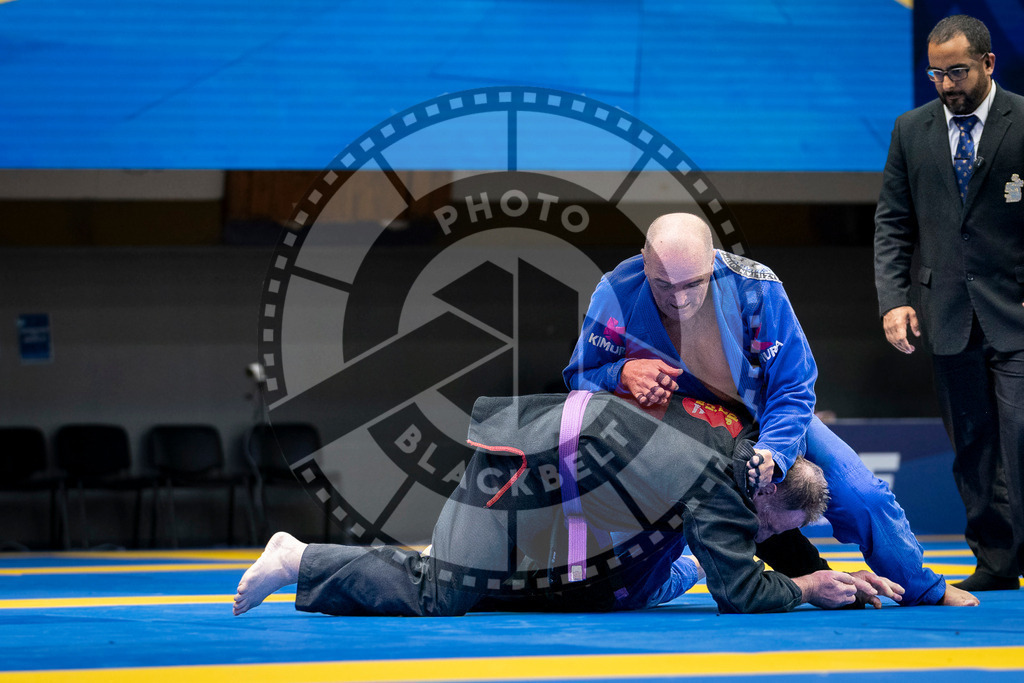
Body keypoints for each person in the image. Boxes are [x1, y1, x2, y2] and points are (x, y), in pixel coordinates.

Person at [563, 212, 977, 606]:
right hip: (684, 431)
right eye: (663, 285)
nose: (679, 298)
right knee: (644, 577)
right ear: (643, 260)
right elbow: (580, 378)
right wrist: (622, 372)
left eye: (692, 283)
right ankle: (709, 573)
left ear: (714, 261)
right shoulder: (618, 290)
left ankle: (921, 588)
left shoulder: (755, 288)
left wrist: (775, 451)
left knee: (864, 496)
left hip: (767, 416)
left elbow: (793, 387)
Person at [234, 392, 902, 617]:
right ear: (760, 492)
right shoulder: (717, 484)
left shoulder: (728, 461)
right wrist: (806, 586)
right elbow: (742, 591)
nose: (759, 537)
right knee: (447, 593)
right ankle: (298, 557)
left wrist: (810, 568)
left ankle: (459, 551)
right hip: (521, 469)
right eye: (764, 527)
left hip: (552, 485)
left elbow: (758, 537)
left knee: (619, 579)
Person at [874, 14, 1024, 592]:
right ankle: (996, 561)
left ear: (988, 64)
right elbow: (893, 223)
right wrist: (893, 299)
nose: (945, 84)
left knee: (1020, 434)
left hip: (1015, 313)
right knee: (972, 445)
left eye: (956, 71)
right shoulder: (911, 129)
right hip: (948, 315)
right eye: (935, 73)